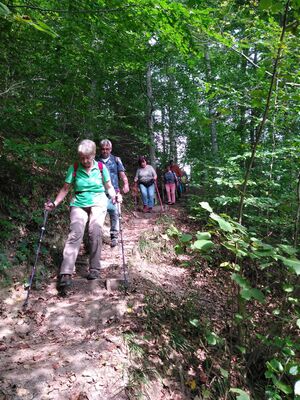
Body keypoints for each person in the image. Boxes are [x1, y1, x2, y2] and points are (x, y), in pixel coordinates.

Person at [44, 139, 117, 288]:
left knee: (95, 231)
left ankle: (95, 268)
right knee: (75, 232)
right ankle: (66, 272)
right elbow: (65, 189)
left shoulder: (101, 167)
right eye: (82, 158)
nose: (84, 161)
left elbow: (108, 186)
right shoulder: (75, 168)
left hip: (98, 201)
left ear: (94, 155)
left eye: (87, 158)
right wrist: (55, 203)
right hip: (78, 202)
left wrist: (115, 195)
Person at [97, 139, 129, 247]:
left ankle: (114, 237)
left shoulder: (116, 160)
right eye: (103, 149)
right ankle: (96, 239)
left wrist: (126, 184)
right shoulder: (96, 161)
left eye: (107, 149)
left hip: (114, 191)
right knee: (98, 216)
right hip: (100, 192)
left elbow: (122, 174)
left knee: (115, 213)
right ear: (100, 149)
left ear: (111, 149)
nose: (105, 151)